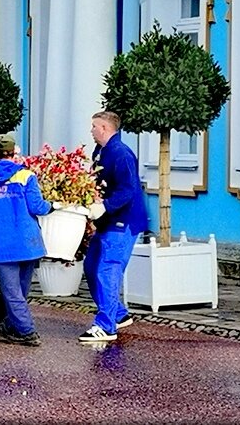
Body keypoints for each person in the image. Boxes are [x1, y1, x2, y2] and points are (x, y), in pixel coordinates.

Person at [0, 134, 58, 347]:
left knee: (11, 290)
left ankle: (26, 331)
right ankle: (14, 325)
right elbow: (37, 207)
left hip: (1, 243)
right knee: (20, 289)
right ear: (14, 153)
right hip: (27, 241)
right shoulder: (26, 176)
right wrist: (53, 206)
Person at [79, 111, 148, 342]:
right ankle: (117, 313)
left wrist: (105, 206)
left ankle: (106, 326)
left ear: (106, 129)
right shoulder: (100, 151)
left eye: (94, 126)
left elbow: (128, 190)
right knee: (91, 266)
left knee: (107, 269)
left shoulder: (121, 154)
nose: (91, 130)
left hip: (122, 222)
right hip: (107, 221)